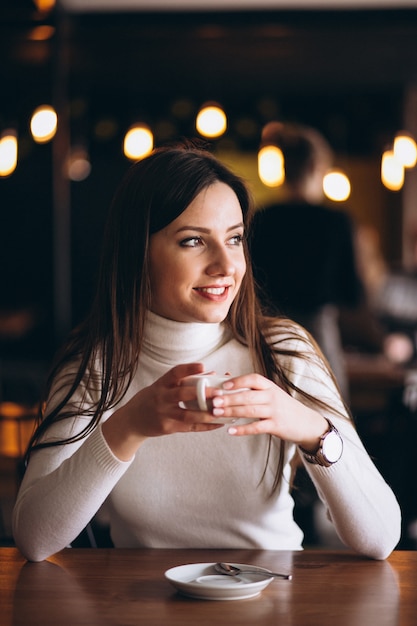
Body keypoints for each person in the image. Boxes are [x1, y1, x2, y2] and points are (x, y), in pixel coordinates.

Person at [12, 140, 400, 562]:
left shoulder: (282, 352)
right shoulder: (96, 368)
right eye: (193, 241)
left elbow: (381, 538)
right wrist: (128, 427)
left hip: (272, 603)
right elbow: (34, 539)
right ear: (137, 252)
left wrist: (310, 428)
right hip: (138, 606)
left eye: (234, 239)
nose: (226, 265)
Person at [251, 122, 364, 401]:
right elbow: (353, 293)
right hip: (317, 334)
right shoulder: (336, 222)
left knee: (268, 410)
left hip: (267, 332)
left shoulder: (262, 218)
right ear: (317, 166)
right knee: (329, 414)